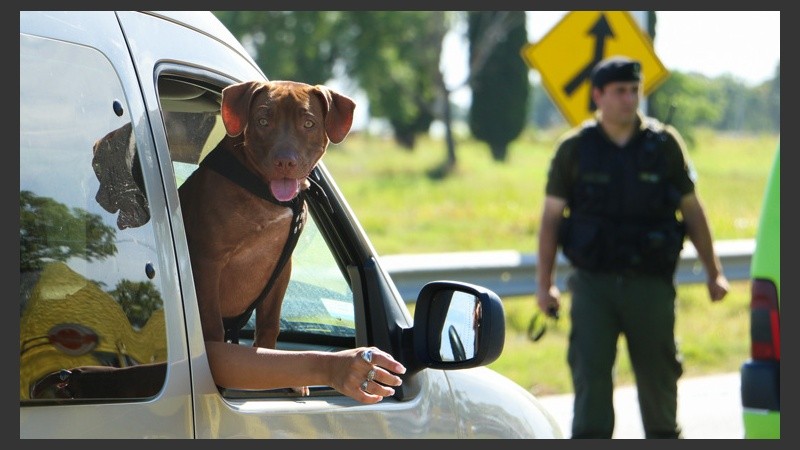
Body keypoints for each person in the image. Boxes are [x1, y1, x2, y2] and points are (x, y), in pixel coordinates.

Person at [535, 55, 730, 438]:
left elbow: (692, 211)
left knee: (660, 388)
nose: (629, 99)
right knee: (590, 384)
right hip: (594, 285)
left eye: (634, 90)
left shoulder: (664, 145)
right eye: (620, 91)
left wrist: (715, 272)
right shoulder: (574, 149)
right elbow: (551, 220)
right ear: (598, 96)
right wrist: (545, 284)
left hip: (650, 285)